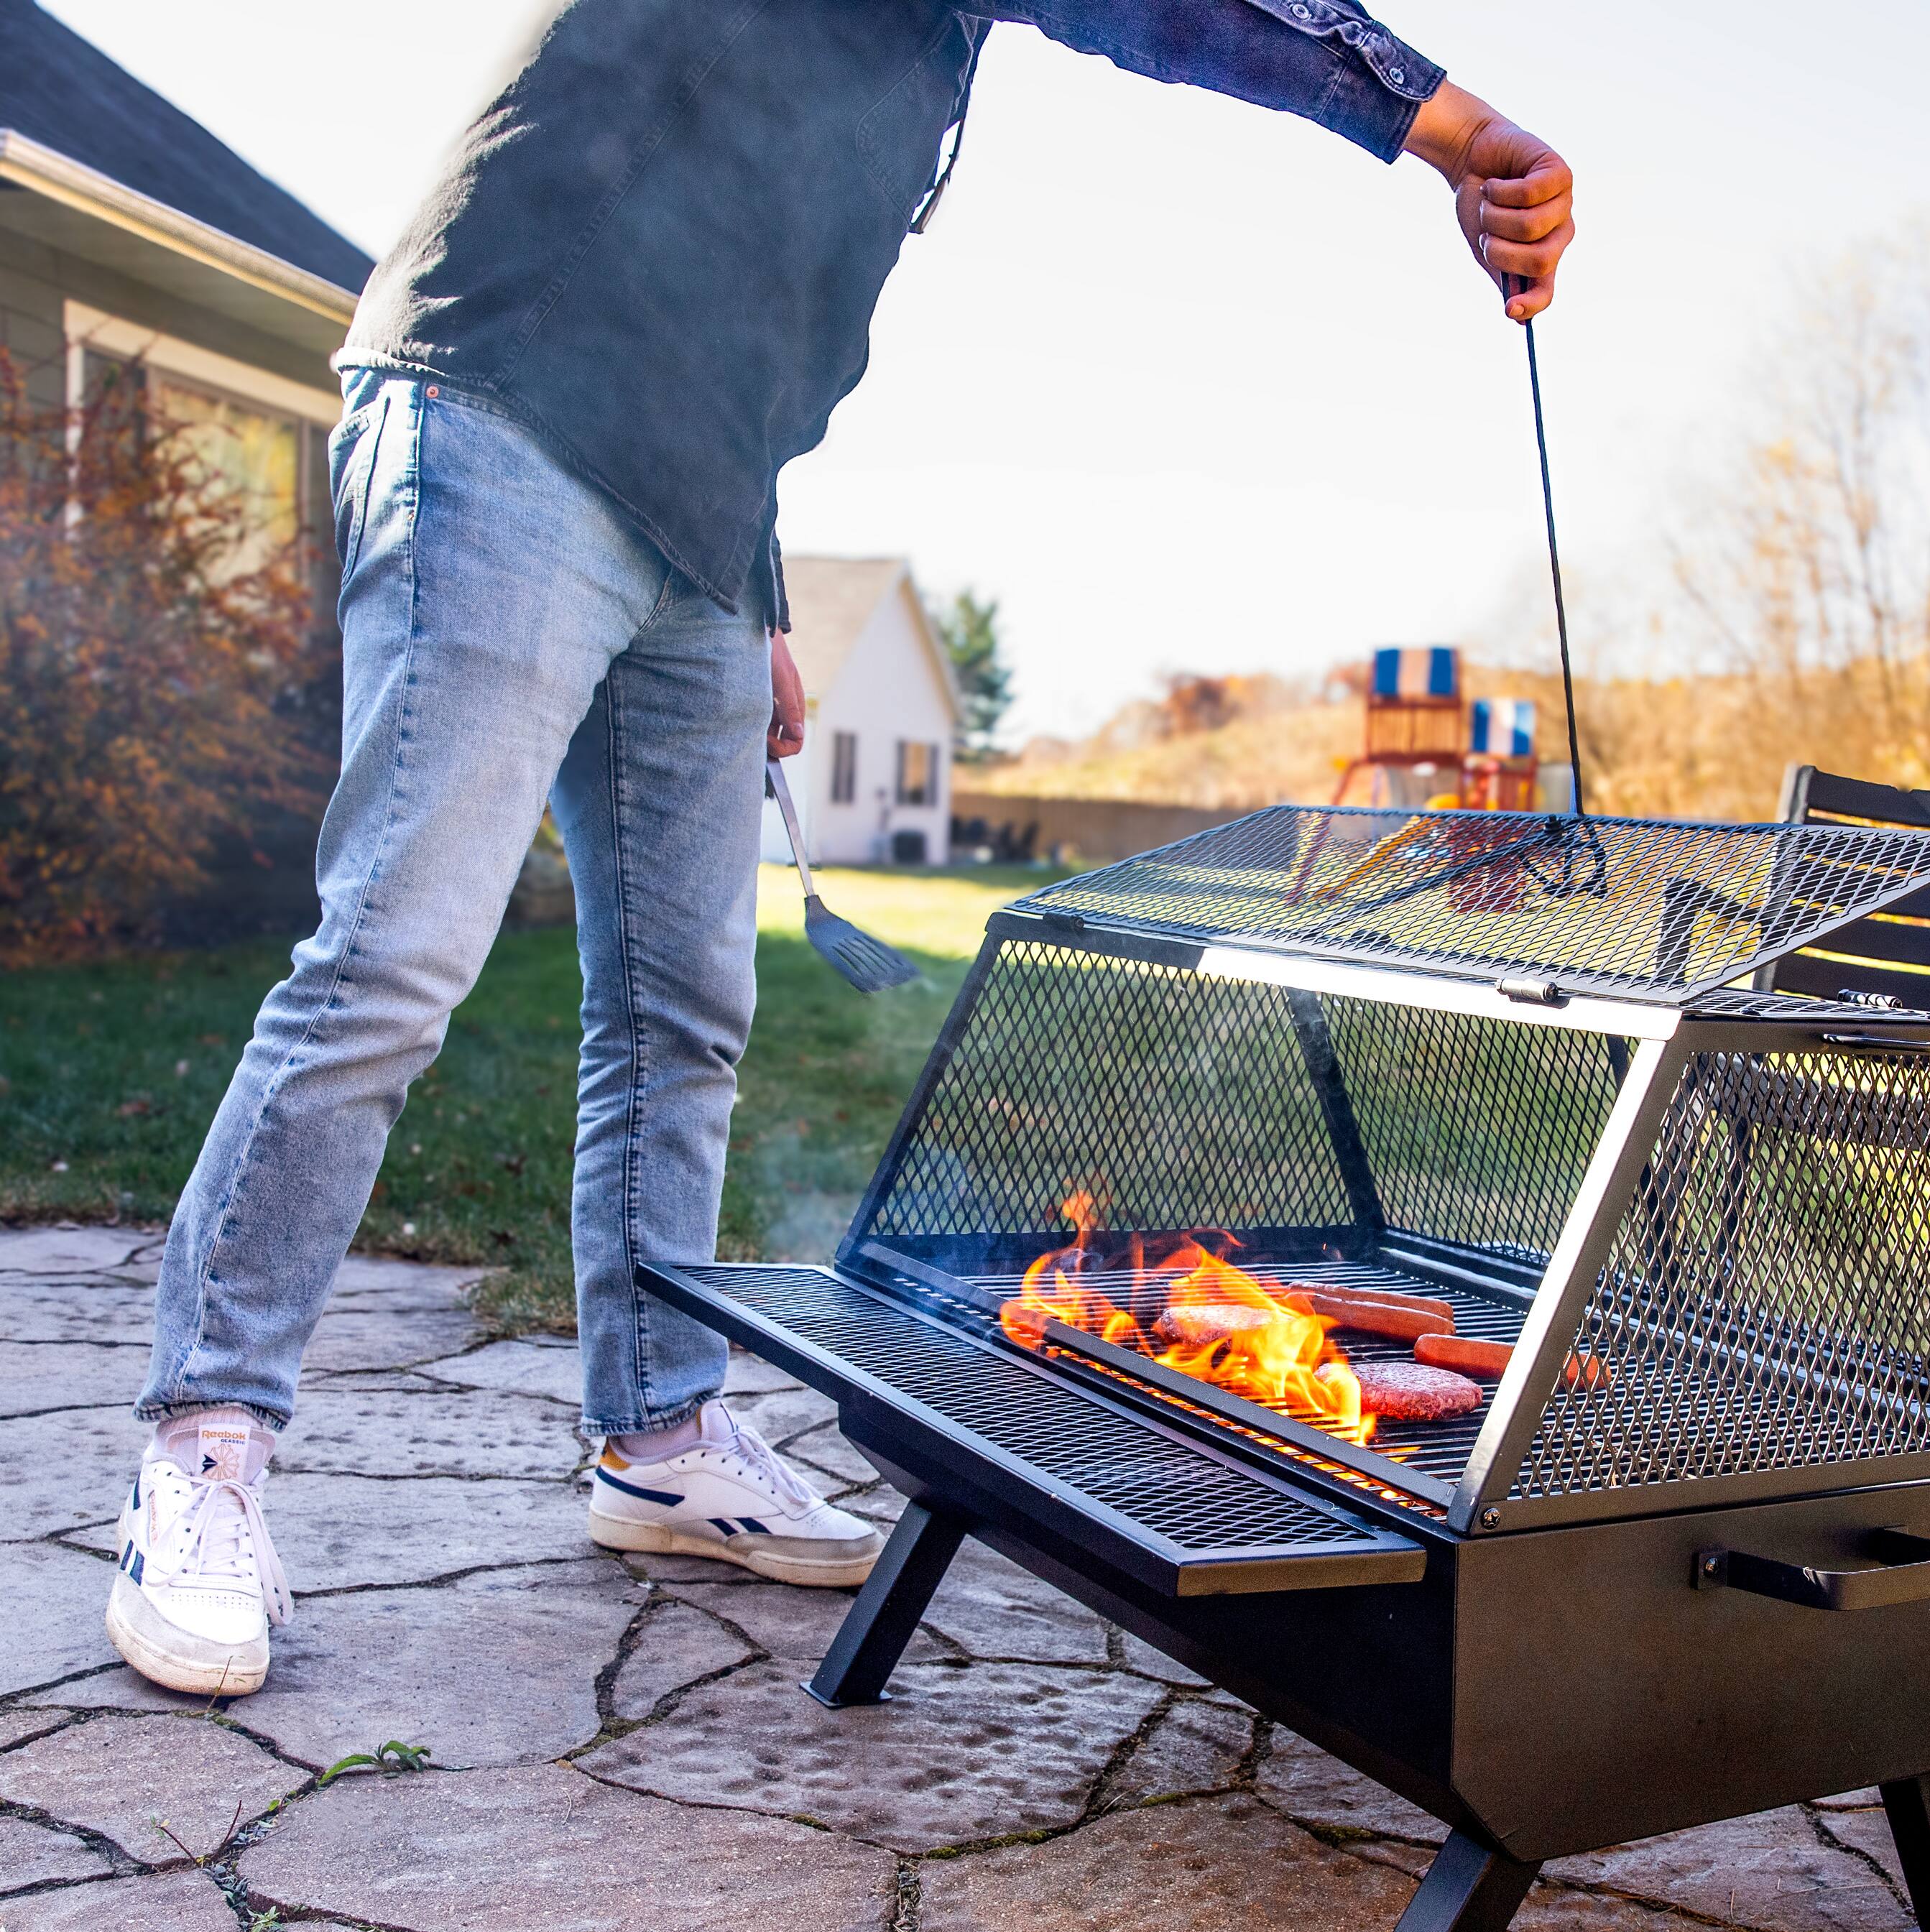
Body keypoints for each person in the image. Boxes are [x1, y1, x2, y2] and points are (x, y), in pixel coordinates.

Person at [110, 0, 1576, 1697]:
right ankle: (202, 1445)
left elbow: (730, 286)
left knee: (683, 1012)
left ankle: (657, 1436)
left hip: (702, 526)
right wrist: (1448, 128)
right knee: (397, 957)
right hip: (506, 407)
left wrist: (761, 587)